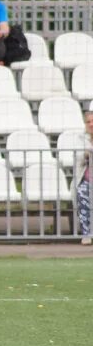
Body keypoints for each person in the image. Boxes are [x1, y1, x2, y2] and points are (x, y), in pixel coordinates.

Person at [75, 104, 93, 245]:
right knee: (82, 192)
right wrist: (87, 154)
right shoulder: (80, 139)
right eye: (88, 122)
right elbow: (77, 158)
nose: (91, 124)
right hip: (87, 179)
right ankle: (86, 234)